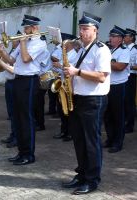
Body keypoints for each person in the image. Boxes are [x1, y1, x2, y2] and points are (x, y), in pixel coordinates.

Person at [59, 12, 111, 195]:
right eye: (80, 28)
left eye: (85, 29)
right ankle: (81, 174)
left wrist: (77, 72)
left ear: (95, 30)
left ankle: (92, 180)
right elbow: (72, 70)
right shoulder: (81, 48)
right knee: (79, 140)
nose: (81, 32)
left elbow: (101, 77)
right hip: (78, 98)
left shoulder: (101, 49)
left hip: (93, 101)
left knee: (91, 141)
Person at [0, 15, 49, 165]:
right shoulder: (23, 43)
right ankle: (21, 151)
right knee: (18, 117)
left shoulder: (40, 44)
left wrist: (23, 41)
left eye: (26, 28)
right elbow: (11, 60)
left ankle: (29, 154)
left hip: (30, 81)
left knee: (26, 117)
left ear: (35, 28)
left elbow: (26, 59)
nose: (24, 31)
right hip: (18, 79)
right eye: (24, 28)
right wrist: (1, 51)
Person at [104, 26, 130, 153]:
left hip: (118, 86)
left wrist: (104, 62)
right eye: (110, 36)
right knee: (107, 114)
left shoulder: (124, 51)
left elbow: (120, 67)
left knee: (118, 115)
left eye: (113, 36)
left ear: (120, 39)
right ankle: (110, 138)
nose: (110, 38)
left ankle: (118, 142)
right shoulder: (110, 50)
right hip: (107, 85)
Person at [52, 33, 78, 142]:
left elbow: (71, 70)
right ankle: (64, 131)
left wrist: (60, 66)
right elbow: (59, 70)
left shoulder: (74, 55)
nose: (62, 45)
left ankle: (71, 133)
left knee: (70, 112)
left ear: (69, 43)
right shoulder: (65, 54)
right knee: (62, 110)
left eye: (64, 43)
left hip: (70, 85)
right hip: (62, 83)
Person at [124, 28, 137, 134]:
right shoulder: (124, 48)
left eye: (126, 36)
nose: (124, 38)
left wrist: (128, 66)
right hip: (123, 77)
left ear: (132, 37)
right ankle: (124, 122)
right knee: (123, 101)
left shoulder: (135, 49)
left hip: (131, 77)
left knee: (129, 102)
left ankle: (130, 125)